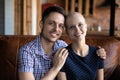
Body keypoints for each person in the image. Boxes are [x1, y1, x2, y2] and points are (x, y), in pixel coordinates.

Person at [18, 6, 106, 80]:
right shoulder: (26, 51)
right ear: (41, 24)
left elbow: (80, 51)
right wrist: (56, 68)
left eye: (60, 25)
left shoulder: (62, 46)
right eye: (51, 23)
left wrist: (100, 52)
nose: (56, 29)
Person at [57, 12, 104, 80]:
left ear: (86, 27)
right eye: (72, 27)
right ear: (67, 32)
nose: (77, 30)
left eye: (80, 25)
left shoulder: (98, 53)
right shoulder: (63, 55)